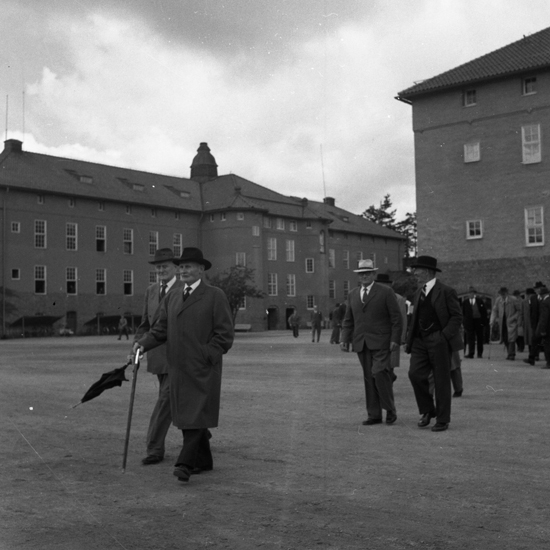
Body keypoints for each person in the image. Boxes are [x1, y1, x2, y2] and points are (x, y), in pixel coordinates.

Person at [133, 247, 234, 483]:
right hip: (177, 366)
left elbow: (224, 334)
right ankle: (204, 460)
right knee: (187, 414)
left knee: (196, 413)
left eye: (189, 266)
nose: (185, 270)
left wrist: (206, 354)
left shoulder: (214, 295)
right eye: (182, 267)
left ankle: (185, 463)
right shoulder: (173, 296)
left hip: (202, 368)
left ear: (201, 270)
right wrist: (142, 344)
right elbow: (159, 329)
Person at [134, 248, 181, 465]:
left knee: (166, 400)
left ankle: (154, 447)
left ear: (176, 268)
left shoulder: (184, 289)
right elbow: (145, 323)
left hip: (180, 356)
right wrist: (137, 345)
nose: (161, 270)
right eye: (158, 266)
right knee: (174, 400)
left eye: (165, 266)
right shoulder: (151, 291)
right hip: (157, 355)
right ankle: (199, 436)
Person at [340, 259, 402, 426]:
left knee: (379, 373)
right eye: (362, 273)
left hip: (382, 341)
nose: (365, 276)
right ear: (358, 276)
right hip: (361, 342)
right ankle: (374, 415)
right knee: (369, 378)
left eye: (368, 273)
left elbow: (396, 318)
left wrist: (395, 339)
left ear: (374, 274)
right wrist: (344, 339)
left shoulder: (385, 292)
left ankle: (390, 409)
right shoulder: (352, 294)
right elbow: (348, 319)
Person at [406, 256, 463, 432]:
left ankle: (443, 419)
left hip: (439, 341)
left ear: (428, 271)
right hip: (419, 342)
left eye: (418, 270)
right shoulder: (417, 292)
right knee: (415, 374)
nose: (414, 273)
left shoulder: (446, 291)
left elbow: (457, 316)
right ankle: (428, 410)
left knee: (441, 381)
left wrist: (443, 336)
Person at [374, 273, 408, 381]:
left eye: (384, 284)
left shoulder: (398, 299)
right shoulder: (372, 297)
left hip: (392, 335)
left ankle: (390, 380)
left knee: (390, 363)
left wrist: (401, 338)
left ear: (389, 285)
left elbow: (402, 319)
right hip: (376, 336)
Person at [490, 287, 523, 361]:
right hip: (502, 322)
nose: (503, 295)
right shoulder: (498, 300)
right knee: (505, 337)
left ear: (507, 293)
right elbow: (494, 310)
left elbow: (519, 310)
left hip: (511, 321)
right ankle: (509, 353)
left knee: (511, 337)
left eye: (504, 294)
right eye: (501, 294)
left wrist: (514, 318)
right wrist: (492, 320)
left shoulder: (513, 299)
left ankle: (511, 354)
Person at [462, 286, 488, 358]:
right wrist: (464, 322)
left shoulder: (479, 301)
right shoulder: (465, 302)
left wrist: (484, 322)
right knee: (470, 338)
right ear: (468, 294)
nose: (472, 294)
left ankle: (479, 353)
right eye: (470, 293)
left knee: (480, 337)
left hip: (478, 322)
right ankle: (471, 353)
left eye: (473, 293)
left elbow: (484, 312)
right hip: (469, 322)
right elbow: (463, 313)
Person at [524, 283, 545, 365]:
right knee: (534, 341)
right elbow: (531, 311)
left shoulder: (546, 297)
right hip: (535, 323)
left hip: (544, 322)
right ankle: (532, 358)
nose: (537, 290)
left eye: (539, 288)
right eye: (536, 289)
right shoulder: (533, 298)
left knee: (545, 342)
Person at [535, 287, 550, 369]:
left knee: (547, 345)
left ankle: (549, 363)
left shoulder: (544, 303)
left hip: (548, 328)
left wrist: (543, 330)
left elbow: (544, 318)